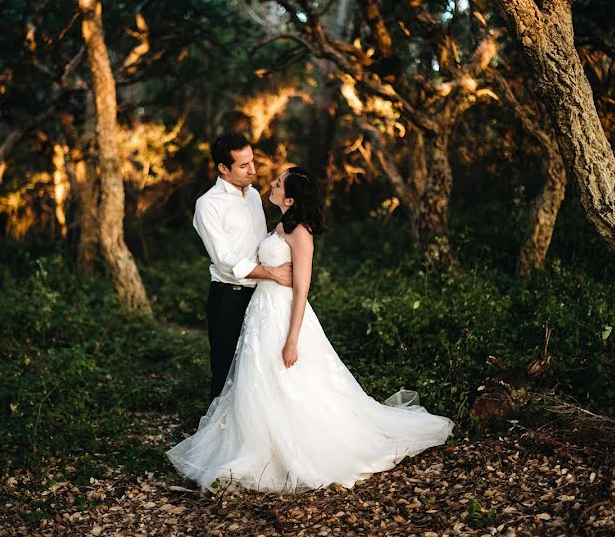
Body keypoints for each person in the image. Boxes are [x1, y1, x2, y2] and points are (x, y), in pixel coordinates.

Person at [168, 166, 454, 492]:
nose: (271, 184)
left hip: (285, 316)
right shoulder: (280, 225)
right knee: (257, 380)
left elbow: (301, 289)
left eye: (277, 183)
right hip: (261, 313)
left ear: (289, 198)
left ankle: (293, 449)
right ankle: (256, 443)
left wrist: (292, 340)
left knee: (289, 381)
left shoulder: (301, 233)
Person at [193, 133, 293, 400]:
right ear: (223, 168)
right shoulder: (208, 205)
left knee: (258, 369)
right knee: (225, 371)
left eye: (252, 162)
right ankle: (219, 433)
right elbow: (225, 259)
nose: (253, 170)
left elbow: (259, 244)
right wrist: (272, 272)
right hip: (229, 296)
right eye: (243, 165)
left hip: (262, 297)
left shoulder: (254, 197)